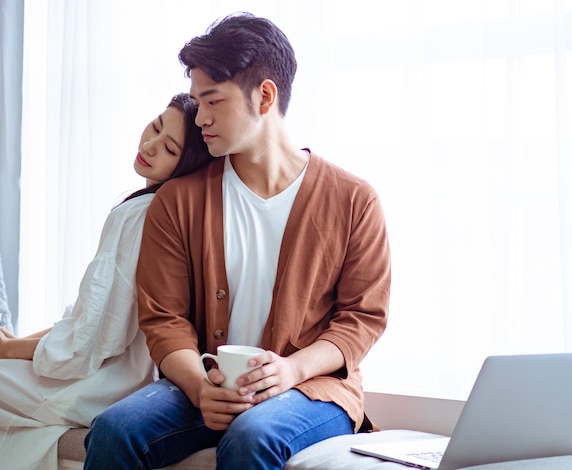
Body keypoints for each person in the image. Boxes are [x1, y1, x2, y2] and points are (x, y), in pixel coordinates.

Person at [84, 12, 391, 470]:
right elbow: (163, 318)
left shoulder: (354, 199)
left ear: (265, 96)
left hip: (311, 390)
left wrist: (292, 370)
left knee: (252, 436)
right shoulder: (178, 201)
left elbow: (361, 319)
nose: (199, 117)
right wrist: (198, 387)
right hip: (209, 384)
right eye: (196, 101)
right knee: (113, 431)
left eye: (213, 101)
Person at [0, 93, 211, 470]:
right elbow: (86, 321)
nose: (149, 144)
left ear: (187, 164)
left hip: (97, 390)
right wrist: (13, 344)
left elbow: (88, 340)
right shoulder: (169, 212)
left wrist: (8, 350)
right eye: (156, 126)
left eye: (169, 147)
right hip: (127, 381)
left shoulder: (138, 216)